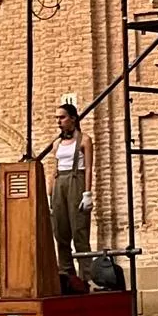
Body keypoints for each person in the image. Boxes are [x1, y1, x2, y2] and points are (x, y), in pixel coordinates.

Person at [49, 104, 93, 279]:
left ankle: (86, 276)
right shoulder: (56, 144)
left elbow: (88, 168)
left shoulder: (84, 140)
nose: (58, 121)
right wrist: (50, 194)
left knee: (79, 231)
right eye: (57, 118)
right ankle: (67, 275)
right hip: (60, 182)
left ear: (73, 118)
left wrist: (87, 193)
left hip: (76, 180)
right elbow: (54, 170)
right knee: (60, 232)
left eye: (62, 117)